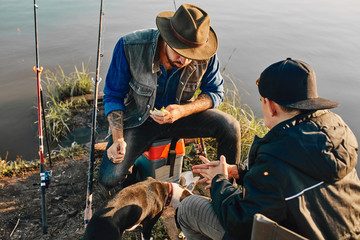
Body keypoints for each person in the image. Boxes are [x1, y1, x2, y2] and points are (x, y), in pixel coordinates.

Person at [176, 58, 360, 239]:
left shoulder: (275, 158)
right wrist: (239, 172)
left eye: (262, 101)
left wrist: (219, 181)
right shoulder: (336, 134)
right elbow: (292, 181)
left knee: (189, 208)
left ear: (271, 106)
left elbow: (240, 222)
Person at [98, 4, 241, 189]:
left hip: (182, 117)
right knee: (109, 178)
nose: (185, 61)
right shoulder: (129, 46)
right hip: (141, 120)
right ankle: (135, 177)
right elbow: (113, 96)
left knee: (230, 127)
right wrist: (118, 138)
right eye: (180, 53)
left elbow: (215, 92)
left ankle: (226, 190)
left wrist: (183, 110)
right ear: (166, 38)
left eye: (192, 56)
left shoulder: (205, 53)